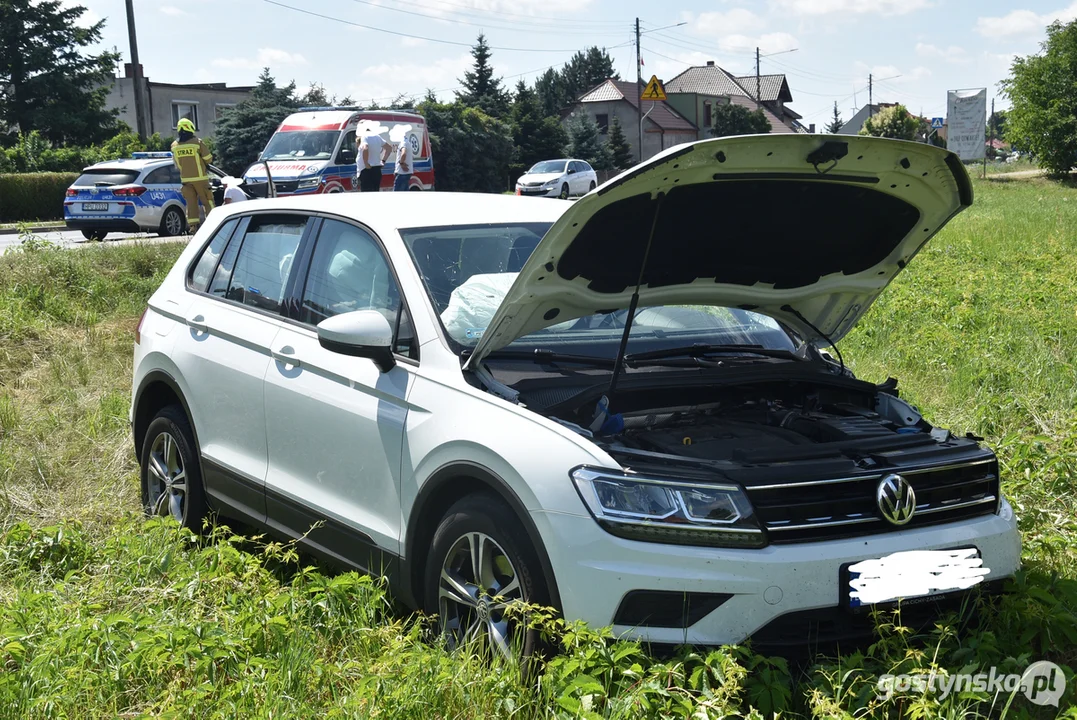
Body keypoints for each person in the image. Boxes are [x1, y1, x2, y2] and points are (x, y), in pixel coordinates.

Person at [171, 118, 215, 232]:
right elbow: (208, 159)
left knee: (191, 203)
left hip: (185, 180)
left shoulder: (174, 146)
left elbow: (176, 163)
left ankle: (193, 226)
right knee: (208, 201)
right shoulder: (197, 142)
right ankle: (213, 223)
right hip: (200, 178)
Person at [356, 125, 391, 192]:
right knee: (375, 193)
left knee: (367, 196)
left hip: (366, 170)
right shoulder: (377, 137)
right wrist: (383, 161)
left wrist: (366, 163)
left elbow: (365, 148)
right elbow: (389, 148)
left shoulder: (364, 137)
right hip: (376, 169)